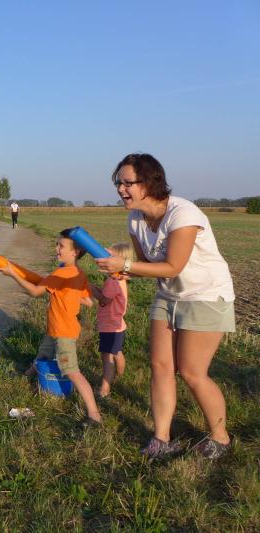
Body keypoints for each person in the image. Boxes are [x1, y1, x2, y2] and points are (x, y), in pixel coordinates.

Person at [96, 153, 235, 460]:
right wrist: (120, 267)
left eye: (127, 182)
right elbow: (146, 264)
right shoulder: (135, 218)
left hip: (205, 295)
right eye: (118, 182)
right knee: (160, 367)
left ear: (149, 182)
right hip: (169, 296)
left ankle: (221, 438)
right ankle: (161, 438)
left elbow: (173, 266)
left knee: (191, 371)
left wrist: (125, 265)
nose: (120, 189)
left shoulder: (183, 214)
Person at [0, 228, 101, 425]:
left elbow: (35, 292)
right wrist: (67, 295)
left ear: (75, 252)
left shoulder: (61, 272)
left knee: (72, 372)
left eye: (61, 246)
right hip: (56, 329)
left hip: (63, 333)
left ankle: (94, 414)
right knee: (43, 355)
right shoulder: (78, 272)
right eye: (56, 244)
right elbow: (88, 301)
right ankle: (26, 375)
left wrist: (13, 274)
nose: (56, 249)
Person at [90, 243, 132, 397]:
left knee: (107, 356)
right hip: (118, 325)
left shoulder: (113, 281)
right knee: (116, 351)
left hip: (110, 326)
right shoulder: (120, 279)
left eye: (109, 257)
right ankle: (120, 375)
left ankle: (104, 388)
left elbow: (104, 299)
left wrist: (90, 287)